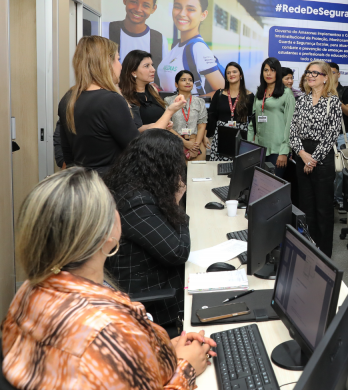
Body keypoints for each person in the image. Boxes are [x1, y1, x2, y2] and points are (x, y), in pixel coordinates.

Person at [2, 167, 215, 389]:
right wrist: (185, 366)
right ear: (107, 234)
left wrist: (165, 349)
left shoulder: (28, 290)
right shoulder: (110, 332)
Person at [58, 36, 185, 174]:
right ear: (106, 63)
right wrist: (169, 113)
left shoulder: (68, 98)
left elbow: (67, 154)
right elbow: (137, 148)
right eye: (118, 59)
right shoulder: (111, 100)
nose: (120, 65)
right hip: (111, 184)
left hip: (82, 184)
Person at [104, 130, 191, 328]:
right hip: (154, 301)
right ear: (163, 165)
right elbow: (178, 251)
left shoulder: (130, 187)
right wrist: (177, 204)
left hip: (148, 281)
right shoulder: (137, 202)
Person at [289, 60, 342, 257]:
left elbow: (331, 135)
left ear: (325, 78)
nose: (310, 76)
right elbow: (293, 132)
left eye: (315, 73)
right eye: (308, 72)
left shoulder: (333, 102)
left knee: (323, 209)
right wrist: (303, 155)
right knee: (306, 207)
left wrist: (313, 160)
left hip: (323, 158)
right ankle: (308, 250)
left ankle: (324, 254)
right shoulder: (301, 100)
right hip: (302, 155)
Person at [157, 0, 225, 95]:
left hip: (186, 111)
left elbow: (223, 92)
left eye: (190, 9)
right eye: (177, 7)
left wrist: (189, 103)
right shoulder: (177, 46)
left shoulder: (197, 48)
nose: (182, 13)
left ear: (203, 15)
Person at [104, 0, 169, 87]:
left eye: (145, 5)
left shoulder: (158, 39)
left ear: (153, 8)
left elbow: (161, 79)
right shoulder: (106, 30)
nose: (138, 9)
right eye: (134, 2)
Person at [248, 58, 295, 178]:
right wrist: (249, 146)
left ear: (278, 73)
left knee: (272, 186)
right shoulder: (260, 92)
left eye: (272, 70)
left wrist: (284, 152)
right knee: (258, 184)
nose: (268, 73)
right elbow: (253, 121)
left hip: (277, 150)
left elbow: (291, 124)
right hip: (259, 148)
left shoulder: (286, 94)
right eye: (266, 70)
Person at [206, 62, 254, 161]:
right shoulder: (219, 94)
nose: (231, 74)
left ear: (240, 75)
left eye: (234, 72)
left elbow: (252, 118)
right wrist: (206, 135)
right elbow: (211, 115)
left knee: (238, 169)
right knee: (218, 169)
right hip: (221, 136)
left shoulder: (249, 95)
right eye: (228, 73)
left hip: (241, 136)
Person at [329, 62, 348, 210]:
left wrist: (337, 103)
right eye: (327, 73)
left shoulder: (345, 91)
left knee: (340, 171)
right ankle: (329, 198)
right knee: (327, 170)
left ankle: (338, 198)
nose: (330, 76)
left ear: (338, 74)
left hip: (342, 136)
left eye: (333, 72)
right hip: (325, 137)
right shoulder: (320, 91)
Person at [166, 70, 208, 161]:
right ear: (176, 84)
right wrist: (185, 143)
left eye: (190, 80)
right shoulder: (168, 101)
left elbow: (202, 125)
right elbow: (166, 125)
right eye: (183, 80)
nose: (188, 82)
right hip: (175, 144)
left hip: (196, 144)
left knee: (197, 174)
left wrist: (196, 146)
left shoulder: (199, 102)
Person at [120, 49, 168, 130]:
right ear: (133, 72)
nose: (153, 69)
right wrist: (161, 123)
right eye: (147, 66)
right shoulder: (122, 95)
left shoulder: (153, 90)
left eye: (152, 65)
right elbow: (132, 129)